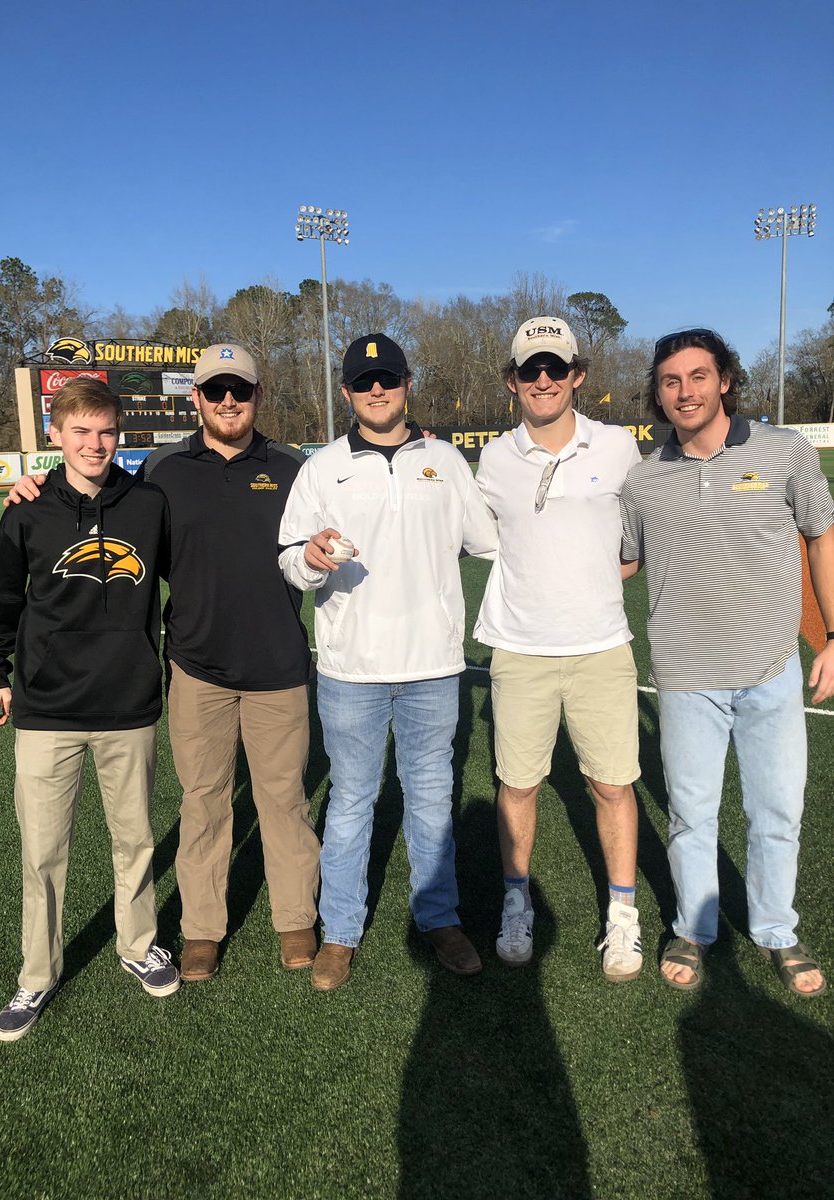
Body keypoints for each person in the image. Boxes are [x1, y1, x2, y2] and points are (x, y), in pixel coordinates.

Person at [5, 345, 320, 983]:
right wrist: (34, 488)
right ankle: (201, 928)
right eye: (215, 390)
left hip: (279, 664)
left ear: (259, 395)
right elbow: (107, 510)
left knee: (284, 801)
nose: (228, 401)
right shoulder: (162, 469)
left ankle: (296, 921)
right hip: (196, 668)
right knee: (204, 802)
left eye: (241, 390)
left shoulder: (293, 468)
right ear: (196, 398)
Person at [278, 333, 498, 990]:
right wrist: (312, 559)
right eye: (364, 381)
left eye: (389, 378)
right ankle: (341, 932)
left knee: (431, 799)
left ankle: (438, 919)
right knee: (352, 802)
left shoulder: (446, 461)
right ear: (347, 392)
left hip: (433, 665)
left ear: (407, 385)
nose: (378, 390)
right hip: (351, 669)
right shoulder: (321, 469)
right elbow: (290, 559)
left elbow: (487, 541)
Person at [621, 327, 834, 995]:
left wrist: (832, 637)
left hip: (771, 671)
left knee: (777, 812)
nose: (685, 392)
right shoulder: (643, 477)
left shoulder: (784, 452)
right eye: (670, 381)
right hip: (685, 680)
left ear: (726, 381)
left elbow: (822, 534)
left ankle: (776, 930)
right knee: (691, 815)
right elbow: (621, 560)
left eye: (698, 376)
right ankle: (694, 927)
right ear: (657, 393)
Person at [0, 377, 179, 1042]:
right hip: (45, 708)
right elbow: (3, 598)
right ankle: (37, 974)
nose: (95, 444)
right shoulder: (27, 510)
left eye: (106, 432)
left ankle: (138, 943)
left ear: (119, 434)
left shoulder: (148, 503)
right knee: (43, 853)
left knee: (136, 842)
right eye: (82, 432)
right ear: (57, 436)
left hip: (128, 706)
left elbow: (189, 580)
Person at [474, 318, 644, 980]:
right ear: (512, 381)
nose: (541, 381)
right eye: (528, 370)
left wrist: (592, 582)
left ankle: (623, 916)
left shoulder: (619, 448)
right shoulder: (492, 459)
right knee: (518, 785)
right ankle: (516, 903)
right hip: (518, 651)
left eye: (554, 368)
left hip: (603, 647)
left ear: (577, 375)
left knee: (611, 784)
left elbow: (635, 547)